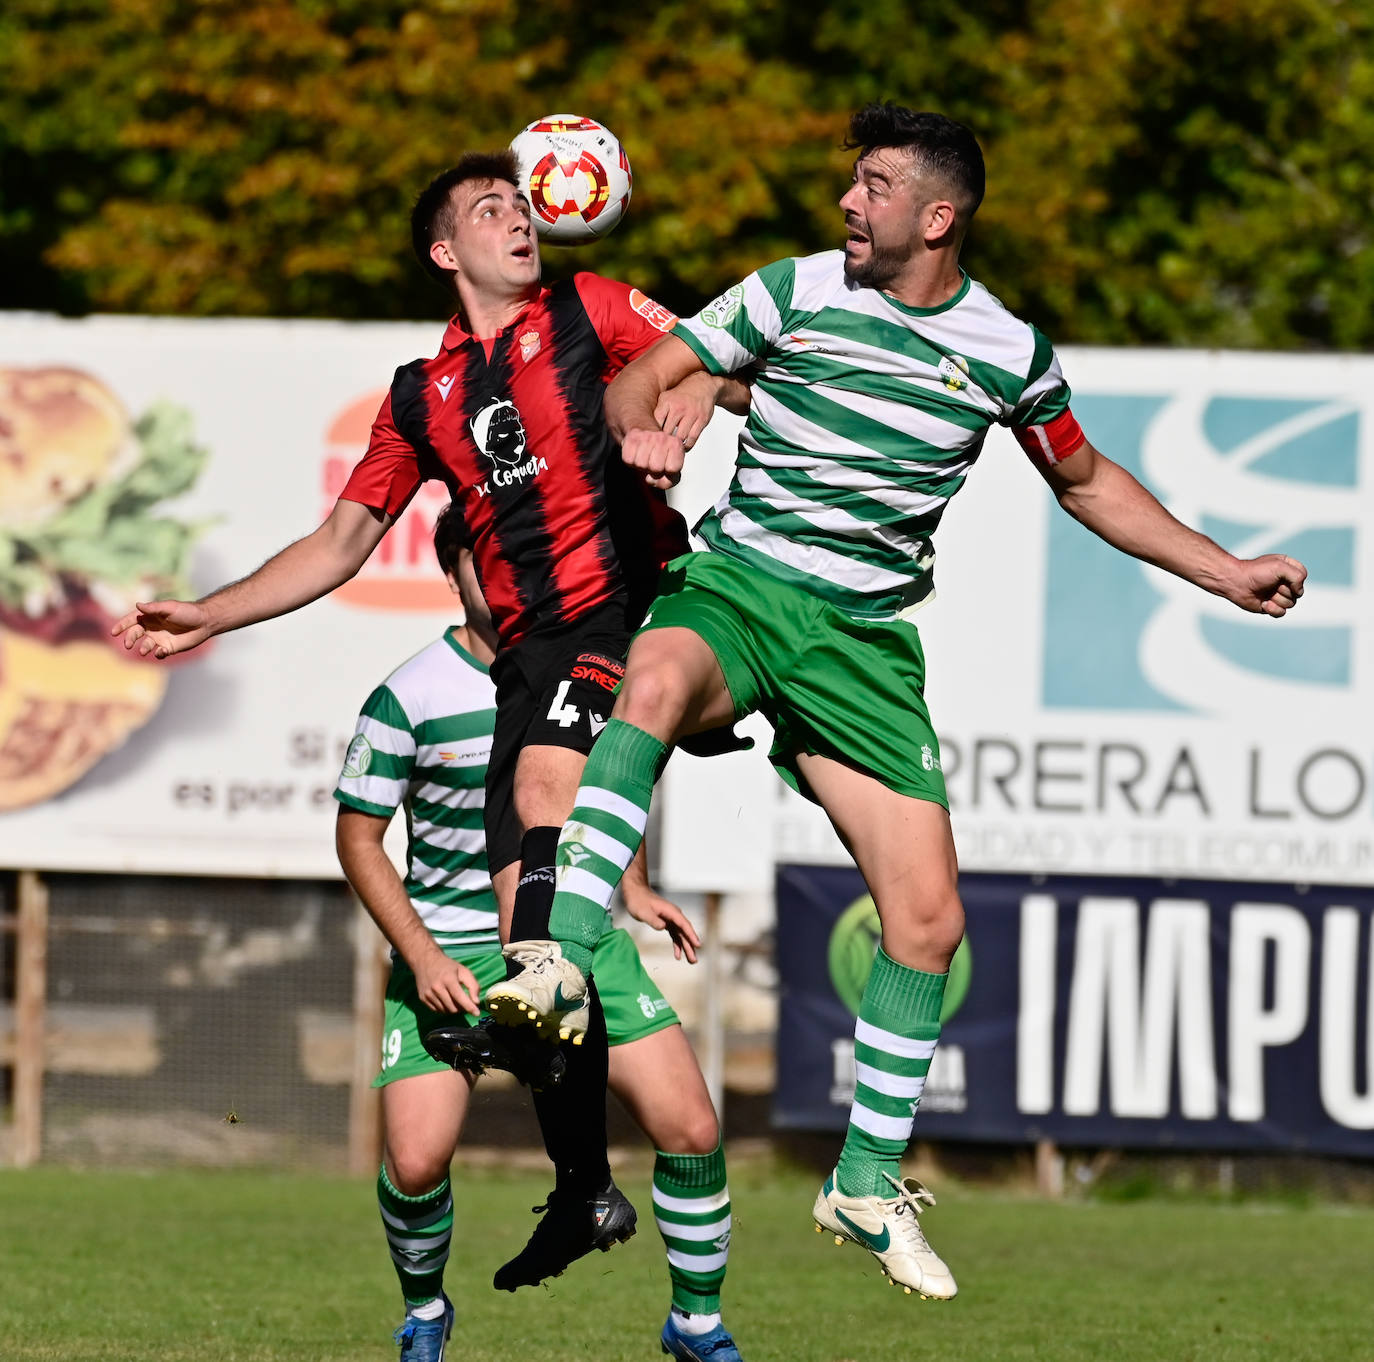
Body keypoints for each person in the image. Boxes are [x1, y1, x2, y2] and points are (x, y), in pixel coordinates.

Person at [483, 101, 1310, 1301]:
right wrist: (651, 430)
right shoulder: (794, 290)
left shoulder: (1008, 354)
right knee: (653, 679)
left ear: (939, 214)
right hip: (743, 587)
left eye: (871, 185)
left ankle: (865, 1182)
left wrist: (1222, 568)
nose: (846, 204)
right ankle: (557, 958)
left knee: (926, 924)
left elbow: (1083, 480)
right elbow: (646, 381)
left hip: (864, 648)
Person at [111, 148, 749, 1312]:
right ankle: (580, 1187)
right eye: (491, 209)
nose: (521, 220)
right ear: (444, 251)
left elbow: (730, 364)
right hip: (534, 664)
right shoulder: (421, 395)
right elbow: (339, 545)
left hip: (630, 614)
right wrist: (211, 613)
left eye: (525, 204)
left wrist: (693, 387)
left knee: (547, 891)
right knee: (526, 937)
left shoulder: (594, 309)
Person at [336, 510, 742, 1362]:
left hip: (575, 937)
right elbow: (357, 838)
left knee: (692, 1129)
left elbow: (590, 802)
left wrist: (630, 886)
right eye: (489, 563)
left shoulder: (584, 672)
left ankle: (696, 1324)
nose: (510, 577)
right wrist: (421, 955)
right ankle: (423, 1313)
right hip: (447, 954)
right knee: (415, 1163)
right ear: (454, 572)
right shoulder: (410, 693)